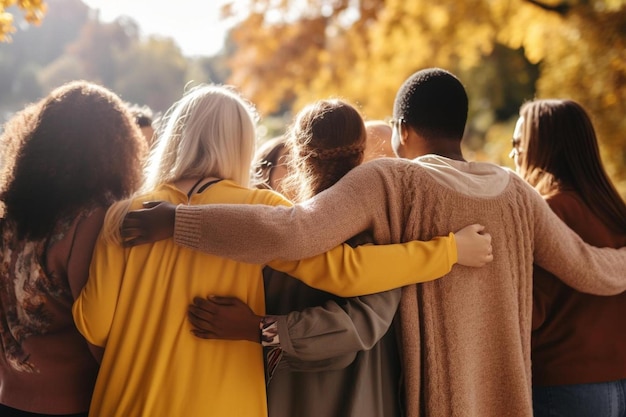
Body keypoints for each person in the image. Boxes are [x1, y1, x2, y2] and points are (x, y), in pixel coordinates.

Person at [120, 68, 626, 417]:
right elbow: (591, 268)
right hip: (507, 401)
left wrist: (177, 222)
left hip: (432, 399)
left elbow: (294, 232)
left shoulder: (392, 181)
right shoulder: (515, 191)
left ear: (402, 129)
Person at [72, 84, 492, 417]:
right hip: (224, 406)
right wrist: (449, 251)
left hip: (123, 403)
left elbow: (94, 326)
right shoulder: (264, 210)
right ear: (243, 143)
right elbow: (347, 271)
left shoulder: (122, 216)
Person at [189, 99, 404, 416]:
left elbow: (355, 327)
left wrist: (256, 329)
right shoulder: (382, 231)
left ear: (299, 157)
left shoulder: (275, 233)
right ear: (361, 153)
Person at [0, 80, 146, 416]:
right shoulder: (92, 219)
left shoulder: (9, 215)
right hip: (72, 404)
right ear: (116, 146)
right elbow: (98, 330)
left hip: (9, 397)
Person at [511, 99, 626, 417]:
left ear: (544, 147)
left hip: (563, 383)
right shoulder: (615, 211)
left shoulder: (547, 213)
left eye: (519, 143)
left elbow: (529, 310)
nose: (513, 154)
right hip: (619, 378)